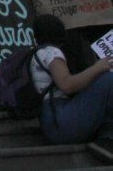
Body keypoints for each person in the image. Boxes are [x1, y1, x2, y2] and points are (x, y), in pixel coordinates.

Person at [30, 14, 113, 145]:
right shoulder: (51, 52)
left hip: (51, 120)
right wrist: (98, 68)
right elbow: (66, 85)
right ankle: (108, 138)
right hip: (60, 120)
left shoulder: (35, 53)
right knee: (108, 79)